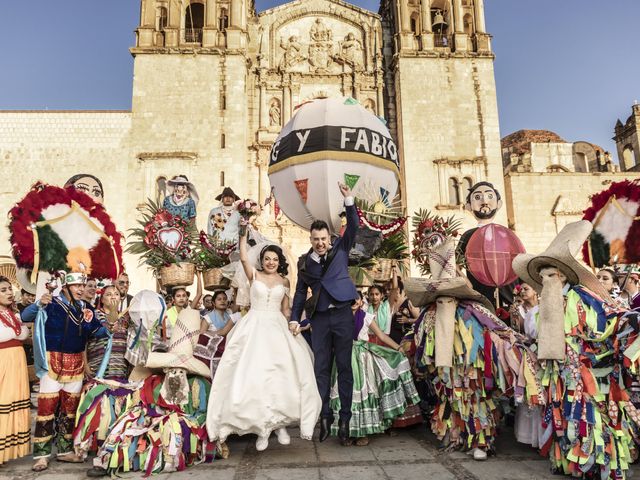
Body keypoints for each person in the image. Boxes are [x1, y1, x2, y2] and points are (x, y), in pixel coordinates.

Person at [513, 220, 640, 477]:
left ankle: (599, 466)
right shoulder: (545, 306)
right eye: (543, 276)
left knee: (592, 420)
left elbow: (610, 317)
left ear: (563, 276)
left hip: (589, 376)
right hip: (558, 376)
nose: (546, 280)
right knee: (566, 419)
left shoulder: (582, 297)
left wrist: (629, 320)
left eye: (551, 275)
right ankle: (570, 462)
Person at [206, 228, 321, 451]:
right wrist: (241, 233)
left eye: (274, 259)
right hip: (254, 326)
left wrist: (298, 323)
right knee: (255, 376)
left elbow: (287, 310)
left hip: (277, 327)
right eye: (267, 259)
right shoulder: (254, 276)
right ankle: (262, 430)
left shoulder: (285, 282)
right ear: (261, 260)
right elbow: (242, 256)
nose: (270, 262)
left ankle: (280, 425)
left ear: (280, 262)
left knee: (281, 376)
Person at [290, 182, 359, 446]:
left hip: (342, 315)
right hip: (319, 320)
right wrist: (295, 318)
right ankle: (326, 416)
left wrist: (348, 199)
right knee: (320, 369)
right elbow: (299, 293)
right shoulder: (305, 262)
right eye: (316, 239)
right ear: (311, 240)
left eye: (323, 239)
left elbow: (353, 226)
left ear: (329, 238)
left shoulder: (341, 248)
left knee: (344, 369)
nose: (320, 243)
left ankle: (345, 418)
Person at [21, 271, 110, 472]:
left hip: (77, 362)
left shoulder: (86, 308)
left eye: (83, 285)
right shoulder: (51, 303)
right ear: (66, 287)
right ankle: (42, 455)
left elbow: (97, 331)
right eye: (77, 286)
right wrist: (38, 304)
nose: (81, 289)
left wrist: (111, 326)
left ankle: (64, 450)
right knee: (46, 409)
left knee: (70, 410)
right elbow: (25, 316)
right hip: (53, 362)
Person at [331, 292, 419, 446]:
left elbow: (382, 336)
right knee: (346, 393)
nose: (353, 300)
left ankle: (363, 432)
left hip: (362, 359)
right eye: (349, 298)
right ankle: (347, 432)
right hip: (342, 357)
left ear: (360, 301)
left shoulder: (366, 317)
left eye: (357, 298)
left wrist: (398, 347)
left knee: (365, 393)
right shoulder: (337, 317)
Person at [457, 182, 515, 309]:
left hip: (508, 298)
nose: (484, 202)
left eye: (489, 196)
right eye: (477, 198)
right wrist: (468, 286)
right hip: (481, 298)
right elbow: (456, 265)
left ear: (499, 204)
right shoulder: (468, 236)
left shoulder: (505, 233)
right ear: (468, 206)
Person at [0, 276, 31, 465]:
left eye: (10, 289)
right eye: (3, 290)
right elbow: (15, 333)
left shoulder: (13, 313)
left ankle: (6, 451)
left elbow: (22, 333)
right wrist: (20, 330)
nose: (10, 293)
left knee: (14, 402)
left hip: (17, 361)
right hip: (3, 361)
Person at [511, 282, 543, 449]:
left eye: (526, 289)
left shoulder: (543, 308)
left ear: (536, 290)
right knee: (528, 392)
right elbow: (520, 331)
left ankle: (541, 437)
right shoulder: (520, 310)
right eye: (521, 289)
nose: (522, 292)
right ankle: (528, 436)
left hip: (541, 355)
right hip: (528, 354)